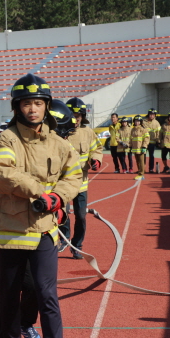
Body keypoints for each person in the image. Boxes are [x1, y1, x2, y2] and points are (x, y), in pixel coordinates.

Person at [0, 73, 81, 338]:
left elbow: (73, 176)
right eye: (25, 104)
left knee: (46, 294)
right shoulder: (7, 139)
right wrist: (38, 191)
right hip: (9, 230)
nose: (32, 109)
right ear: (16, 107)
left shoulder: (60, 144)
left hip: (44, 228)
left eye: (37, 103)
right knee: (9, 293)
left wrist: (57, 198)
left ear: (46, 106)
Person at [58, 97, 103, 259]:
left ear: (82, 117)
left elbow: (96, 149)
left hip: (81, 185)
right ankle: (64, 239)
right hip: (62, 184)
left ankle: (77, 245)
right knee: (62, 212)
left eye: (78, 117)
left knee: (81, 215)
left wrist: (96, 159)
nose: (75, 120)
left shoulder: (88, 133)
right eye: (73, 116)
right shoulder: (59, 132)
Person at [130, 115, 150, 180]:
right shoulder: (133, 130)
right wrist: (130, 146)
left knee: (141, 162)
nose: (137, 122)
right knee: (137, 161)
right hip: (135, 149)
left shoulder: (143, 129)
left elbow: (146, 138)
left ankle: (141, 174)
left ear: (140, 122)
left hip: (141, 148)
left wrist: (144, 146)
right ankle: (139, 173)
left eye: (138, 121)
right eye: (136, 121)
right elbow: (131, 138)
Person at [142, 108, 161, 173]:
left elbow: (158, 133)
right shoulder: (144, 122)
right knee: (143, 155)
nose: (151, 116)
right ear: (148, 114)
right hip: (144, 143)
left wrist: (158, 141)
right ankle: (142, 169)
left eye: (153, 114)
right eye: (150, 114)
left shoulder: (156, 123)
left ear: (155, 115)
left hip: (152, 142)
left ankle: (151, 169)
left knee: (151, 156)